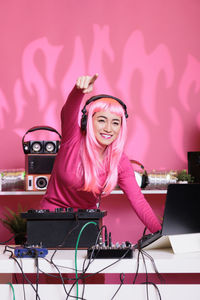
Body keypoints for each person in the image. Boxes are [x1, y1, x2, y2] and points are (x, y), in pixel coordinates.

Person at [40, 74, 161, 233]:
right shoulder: (72, 139)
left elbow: (138, 201)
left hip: (87, 223)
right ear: (88, 121)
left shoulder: (120, 161)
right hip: (49, 218)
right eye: (102, 120)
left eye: (115, 123)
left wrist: (162, 235)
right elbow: (68, 111)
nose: (108, 129)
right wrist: (78, 91)